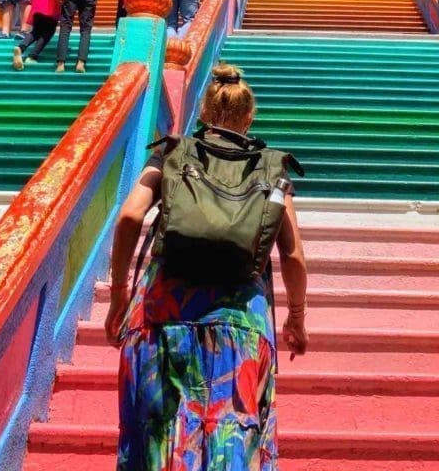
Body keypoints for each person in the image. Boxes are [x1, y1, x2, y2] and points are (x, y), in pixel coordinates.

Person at [105, 64, 308, 470]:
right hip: (240, 323)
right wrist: (296, 318)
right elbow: (292, 256)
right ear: (249, 117)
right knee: (232, 436)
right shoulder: (271, 168)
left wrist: (119, 295)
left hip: (163, 313)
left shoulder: (172, 152)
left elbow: (129, 217)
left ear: (201, 114)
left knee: (156, 435)